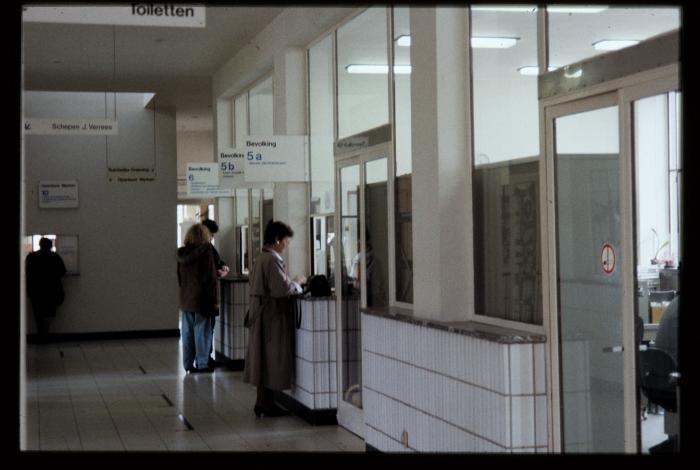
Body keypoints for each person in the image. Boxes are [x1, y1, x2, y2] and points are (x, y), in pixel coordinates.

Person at [243, 220, 306, 417]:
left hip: (262, 315)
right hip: (271, 317)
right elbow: (281, 289)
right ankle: (266, 404)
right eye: (286, 241)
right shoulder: (272, 261)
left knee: (263, 359)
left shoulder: (261, 258)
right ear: (277, 240)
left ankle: (263, 402)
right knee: (271, 359)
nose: (287, 245)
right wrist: (297, 282)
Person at [177, 224, 219, 373]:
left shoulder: (181, 254)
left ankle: (188, 364)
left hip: (186, 298)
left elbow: (180, 278)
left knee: (187, 333)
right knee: (202, 332)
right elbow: (209, 277)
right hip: (202, 299)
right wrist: (213, 300)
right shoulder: (206, 251)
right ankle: (202, 363)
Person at [26, 237, 66, 343]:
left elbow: (27, 274)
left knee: (38, 313)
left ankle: (40, 334)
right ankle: (45, 334)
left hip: (36, 290)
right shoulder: (55, 257)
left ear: (40, 245)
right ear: (50, 246)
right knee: (49, 313)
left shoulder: (31, 257)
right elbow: (62, 272)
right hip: (51, 290)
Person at [201, 218, 230, 368]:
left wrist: (222, 266)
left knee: (205, 329)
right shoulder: (205, 249)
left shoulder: (208, 248)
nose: (212, 237)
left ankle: (205, 358)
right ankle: (204, 360)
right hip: (207, 295)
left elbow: (217, 262)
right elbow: (208, 272)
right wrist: (219, 273)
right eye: (211, 234)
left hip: (203, 296)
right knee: (205, 329)